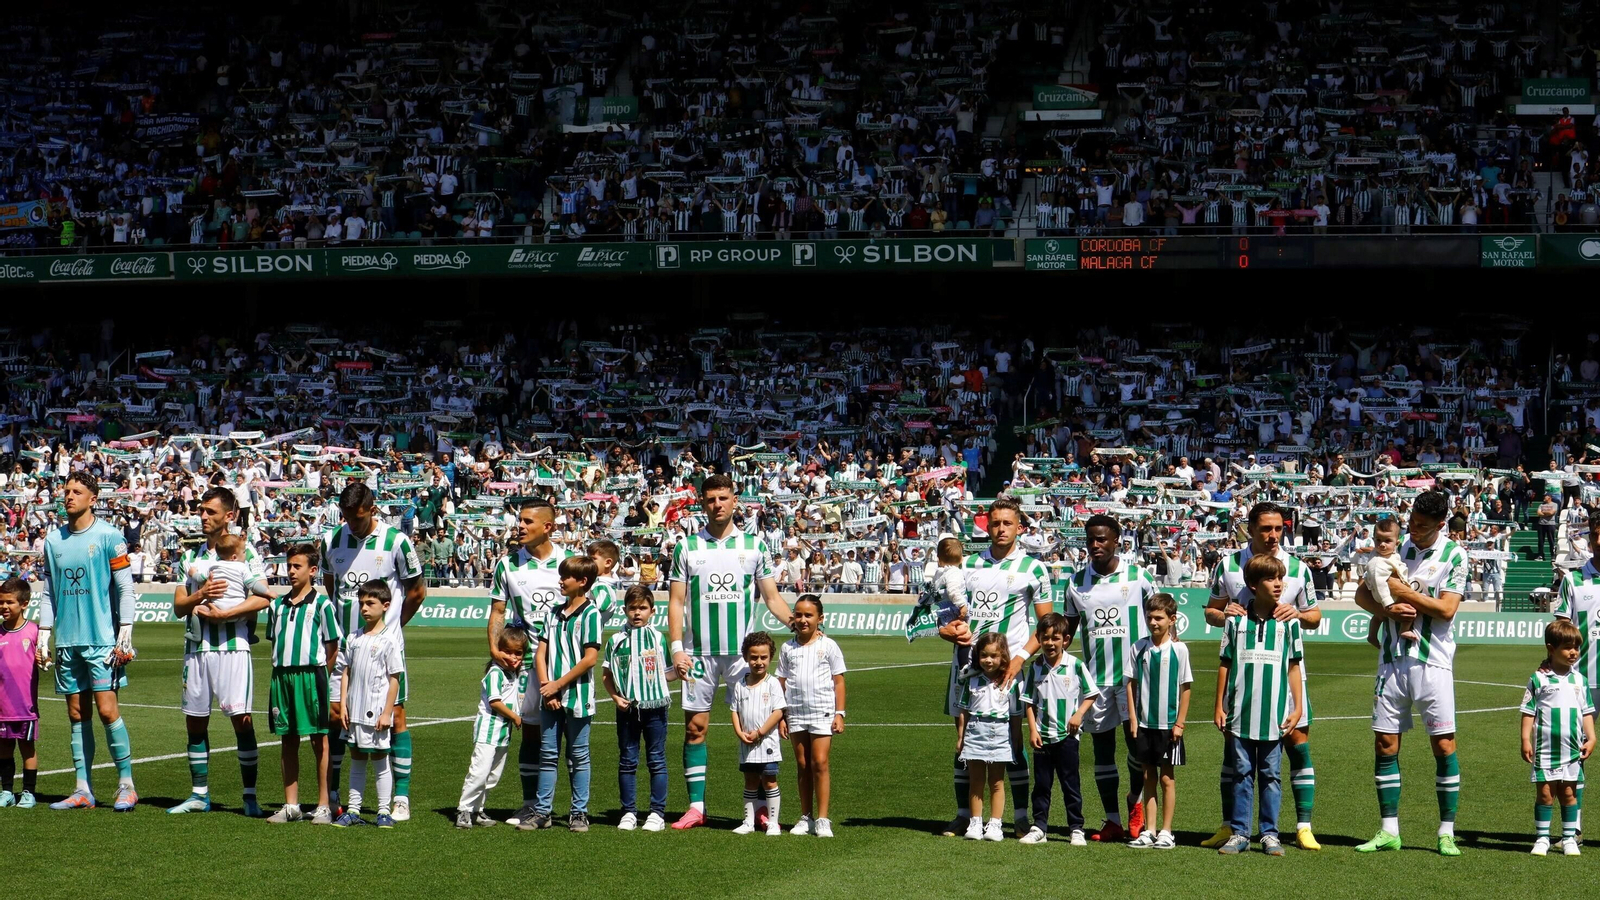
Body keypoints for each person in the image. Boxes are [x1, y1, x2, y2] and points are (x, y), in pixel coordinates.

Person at [667, 474, 793, 830]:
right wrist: (677, 649)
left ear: (735, 501)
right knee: (695, 729)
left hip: (744, 657)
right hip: (698, 654)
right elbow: (676, 603)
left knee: (757, 728)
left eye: (723, 498)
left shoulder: (754, 545)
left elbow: (770, 598)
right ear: (702, 503)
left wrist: (797, 622)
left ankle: (761, 808)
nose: (717, 505)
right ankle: (696, 807)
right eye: (711, 499)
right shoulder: (687, 547)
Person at [1202, 500, 1323, 850]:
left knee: (1297, 744)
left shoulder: (1298, 569)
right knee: (1235, 751)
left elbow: (1314, 616)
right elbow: (1210, 610)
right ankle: (1231, 826)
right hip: (1244, 676)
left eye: (1278, 529)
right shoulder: (1227, 565)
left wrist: (1296, 614)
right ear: (1250, 529)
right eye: (1265, 529)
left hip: (1282, 671)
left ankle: (1302, 826)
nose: (1272, 535)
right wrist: (1225, 614)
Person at [1354, 490, 1467, 857]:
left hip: (1432, 662)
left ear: (1440, 524)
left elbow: (1446, 610)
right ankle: (1389, 830)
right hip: (1391, 660)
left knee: (1443, 746)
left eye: (1421, 526)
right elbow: (1361, 596)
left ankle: (1445, 832)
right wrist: (1389, 611)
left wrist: (1404, 592)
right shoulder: (1396, 547)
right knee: (1385, 744)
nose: (1413, 531)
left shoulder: (1454, 555)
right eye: (1412, 523)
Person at [942, 499, 1051, 839]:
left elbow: (1045, 624)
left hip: (1011, 674)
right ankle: (965, 815)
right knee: (965, 743)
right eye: (995, 523)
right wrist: (948, 630)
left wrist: (1019, 660)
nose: (1001, 529)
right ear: (986, 527)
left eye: (1007, 523)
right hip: (968, 669)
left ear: (1020, 527)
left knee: (1014, 745)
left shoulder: (1034, 568)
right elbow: (946, 614)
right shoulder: (968, 565)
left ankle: (1018, 816)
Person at [322, 482, 425, 822]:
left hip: (383, 648)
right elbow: (331, 588)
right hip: (344, 647)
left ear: (372, 508)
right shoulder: (331, 541)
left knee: (395, 716)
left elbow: (417, 592)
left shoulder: (397, 541)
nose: (352, 523)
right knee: (338, 716)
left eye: (358, 516)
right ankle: (334, 795)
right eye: (346, 516)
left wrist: (393, 630)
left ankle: (401, 797)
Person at [38, 471, 139, 811]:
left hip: (101, 640)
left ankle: (126, 784)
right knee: (76, 713)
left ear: (93, 499)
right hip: (68, 641)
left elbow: (125, 587)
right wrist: (44, 632)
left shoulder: (110, 536)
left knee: (108, 711)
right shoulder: (53, 541)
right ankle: (83, 789)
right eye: (66, 490)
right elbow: (49, 593)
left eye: (77, 491)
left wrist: (125, 628)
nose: (69, 496)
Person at [1064, 513, 1157, 841]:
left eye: (1102, 539)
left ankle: (1135, 802)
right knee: (1103, 752)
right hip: (1096, 682)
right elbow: (1068, 630)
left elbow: (1159, 617)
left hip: (1134, 679)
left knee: (1137, 748)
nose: (1095, 545)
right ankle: (1112, 820)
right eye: (1090, 539)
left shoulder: (1138, 577)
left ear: (1117, 540)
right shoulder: (1076, 582)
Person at [487, 498, 577, 826]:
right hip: (527, 664)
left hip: (566, 662)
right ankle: (532, 804)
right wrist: (495, 649)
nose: (520, 527)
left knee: (572, 736)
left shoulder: (570, 563)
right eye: (519, 521)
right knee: (531, 733)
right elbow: (498, 612)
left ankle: (576, 808)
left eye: (527, 522)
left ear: (548, 527)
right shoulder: (508, 565)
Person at [1213, 554, 1304, 856]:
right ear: (1253, 585)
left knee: (1271, 775)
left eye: (1280, 578)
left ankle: (1269, 834)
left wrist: (1298, 707)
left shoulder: (1289, 624)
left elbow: (1293, 667)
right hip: (1240, 713)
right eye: (1270, 579)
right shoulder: (1235, 621)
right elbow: (1225, 664)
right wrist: (1218, 706)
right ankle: (1239, 833)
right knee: (1241, 773)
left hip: (1274, 715)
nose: (1278, 584)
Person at [525, 555, 603, 832]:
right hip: (551, 696)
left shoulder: (591, 614)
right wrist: (547, 686)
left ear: (582, 582)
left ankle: (579, 812)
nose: (561, 580)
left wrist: (558, 685)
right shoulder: (552, 613)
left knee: (579, 755)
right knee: (548, 754)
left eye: (566, 577)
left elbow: (589, 658)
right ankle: (543, 812)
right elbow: (541, 653)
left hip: (578, 696)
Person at [264, 544, 340, 824]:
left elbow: (332, 646)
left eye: (297, 566)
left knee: (320, 740)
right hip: (281, 678)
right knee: (288, 739)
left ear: (313, 570)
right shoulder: (276, 606)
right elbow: (276, 641)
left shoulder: (322, 605)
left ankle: (323, 805)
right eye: (289, 565)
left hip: (311, 676)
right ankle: (291, 805)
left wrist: (321, 675)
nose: (292, 571)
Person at [603, 585, 680, 832]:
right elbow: (606, 674)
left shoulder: (658, 638)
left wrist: (681, 671)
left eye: (643, 608)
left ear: (652, 611)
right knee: (627, 760)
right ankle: (628, 812)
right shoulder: (615, 640)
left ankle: (656, 813)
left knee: (656, 759)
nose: (637, 613)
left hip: (655, 708)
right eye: (633, 608)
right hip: (627, 708)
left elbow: (667, 674)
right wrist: (615, 697)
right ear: (624, 610)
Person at [1017, 613, 1095, 846]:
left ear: (1066, 640)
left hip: (1067, 737)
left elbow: (1091, 694)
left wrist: (1078, 714)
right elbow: (1029, 702)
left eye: (1056, 638)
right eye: (1045, 638)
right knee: (1041, 785)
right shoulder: (1036, 667)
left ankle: (1076, 828)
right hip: (1043, 736)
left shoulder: (1076, 665)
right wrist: (1032, 730)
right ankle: (1039, 826)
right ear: (1039, 638)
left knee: (1070, 784)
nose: (1050, 643)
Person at [1521, 619, 1596, 857]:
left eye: (1576, 647)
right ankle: (1542, 838)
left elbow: (1587, 712)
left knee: (1569, 793)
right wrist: (1525, 739)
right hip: (1545, 748)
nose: (1573, 652)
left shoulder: (1580, 681)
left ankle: (1568, 838)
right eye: (1567, 647)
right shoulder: (1538, 678)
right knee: (1545, 793)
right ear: (1551, 649)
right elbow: (1528, 711)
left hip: (1572, 748)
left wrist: (1592, 737)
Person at [332, 581, 402, 828]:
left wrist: (387, 712)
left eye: (370, 603)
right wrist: (343, 704)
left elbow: (394, 679)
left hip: (377, 713)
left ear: (385, 606)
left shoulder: (390, 640)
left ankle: (384, 811)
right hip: (355, 710)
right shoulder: (353, 637)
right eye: (361, 603)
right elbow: (346, 673)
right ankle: (353, 810)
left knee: (380, 760)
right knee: (357, 758)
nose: (364, 608)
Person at [1125, 593, 1192, 850]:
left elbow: (1186, 687)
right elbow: (1130, 683)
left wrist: (1180, 723)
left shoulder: (1179, 649)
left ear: (1172, 620)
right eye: (1150, 617)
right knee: (1147, 776)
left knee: (1167, 779)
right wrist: (1132, 716)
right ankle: (1149, 830)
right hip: (1144, 724)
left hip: (1169, 726)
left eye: (1159, 618)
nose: (1153, 622)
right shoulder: (1138, 647)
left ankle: (1167, 831)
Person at [776, 594, 846, 837]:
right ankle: (806, 817)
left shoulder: (828, 646)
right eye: (799, 614)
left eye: (809, 615)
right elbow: (781, 683)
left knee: (819, 762)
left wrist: (840, 713)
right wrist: (782, 716)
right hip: (795, 712)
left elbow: (839, 682)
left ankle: (823, 818)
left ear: (820, 618)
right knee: (803, 764)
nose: (803, 619)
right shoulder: (787, 648)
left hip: (822, 710)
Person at [455, 626, 526, 830]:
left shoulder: (513, 673)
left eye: (518, 653)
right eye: (507, 651)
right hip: (489, 730)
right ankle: (464, 809)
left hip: (503, 733)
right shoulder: (495, 673)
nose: (513, 657)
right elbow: (495, 702)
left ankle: (478, 809)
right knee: (479, 771)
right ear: (497, 650)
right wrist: (515, 716)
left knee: (493, 774)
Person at [1553, 522, 1600, 827]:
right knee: (1576, 755)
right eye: (1596, 534)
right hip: (1583, 681)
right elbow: (1560, 629)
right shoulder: (1573, 580)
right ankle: (1574, 828)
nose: (1599, 540)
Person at [956, 632, 1022, 841]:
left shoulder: (1010, 682)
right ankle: (975, 823)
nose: (988, 660)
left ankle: (995, 824)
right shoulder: (972, 680)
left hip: (1000, 733)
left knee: (996, 781)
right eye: (984, 655)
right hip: (975, 732)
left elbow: (1015, 714)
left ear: (1003, 657)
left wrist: (1016, 737)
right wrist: (961, 736)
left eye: (994, 656)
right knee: (975, 780)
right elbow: (964, 710)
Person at [729, 630, 786, 836]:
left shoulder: (772, 684)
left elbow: (778, 711)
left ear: (770, 657)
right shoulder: (740, 685)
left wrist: (761, 732)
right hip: (747, 744)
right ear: (746, 657)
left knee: (769, 781)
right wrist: (739, 732)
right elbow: (734, 711)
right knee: (750, 782)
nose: (759, 662)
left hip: (767, 743)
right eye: (754, 657)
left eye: (763, 657)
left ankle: (773, 822)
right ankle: (748, 822)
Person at [0, 578, 39, 808]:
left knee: (27, 749)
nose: (4, 607)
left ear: (24, 604)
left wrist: (45, 659)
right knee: (3, 748)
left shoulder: (33, 631)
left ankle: (28, 792)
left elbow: (45, 659)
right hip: (2, 706)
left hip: (25, 706)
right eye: (1, 602)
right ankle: (6, 791)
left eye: (9, 603)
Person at [1365, 519, 1416, 641]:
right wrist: (1388, 604)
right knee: (1411, 607)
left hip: (1383, 594)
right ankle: (1404, 629)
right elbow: (1379, 583)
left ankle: (1372, 635)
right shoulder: (1378, 563)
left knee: (1378, 616)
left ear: (1397, 543)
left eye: (1387, 541)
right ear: (1373, 539)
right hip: (1385, 594)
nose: (1382, 544)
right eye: (1378, 540)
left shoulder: (1389, 554)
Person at [587, 539, 623, 624]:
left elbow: (602, 606)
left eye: (593, 559)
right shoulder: (605, 585)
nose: (588, 562)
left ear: (607, 563)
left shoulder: (601, 586)